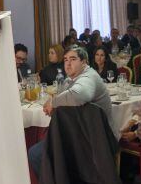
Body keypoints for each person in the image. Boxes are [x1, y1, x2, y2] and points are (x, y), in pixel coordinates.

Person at [28, 45, 112, 179]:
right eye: (66, 59)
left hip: (95, 140)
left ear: (84, 62)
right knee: (39, 152)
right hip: (78, 133)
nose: (68, 63)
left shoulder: (88, 77)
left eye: (73, 59)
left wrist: (53, 102)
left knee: (37, 154)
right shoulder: (70, 79)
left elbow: (80, 95)